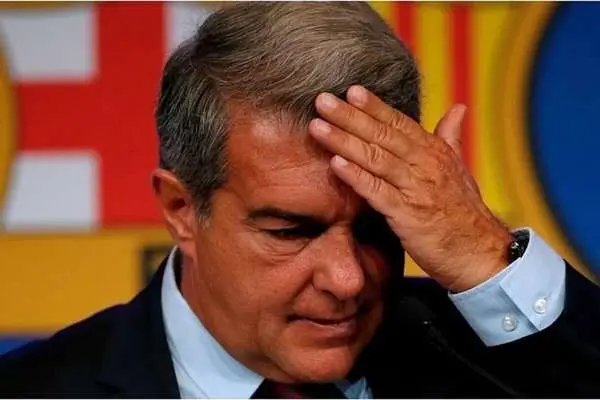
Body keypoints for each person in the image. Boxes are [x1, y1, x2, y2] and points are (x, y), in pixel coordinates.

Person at [1, 2, 600, 398]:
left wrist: (484, 254)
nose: (347, 280)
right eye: (290, 231)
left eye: (378, 226)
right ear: (182, 210)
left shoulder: (496, 364)